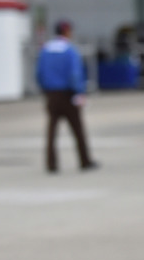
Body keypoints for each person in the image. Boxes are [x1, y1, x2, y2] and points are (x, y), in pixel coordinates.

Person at [36, 19, 99, 174]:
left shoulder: (46, 50)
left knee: (51, 130)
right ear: (67, 32)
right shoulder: (70, 50)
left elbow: (38, 73)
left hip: (51, 94)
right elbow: (75, 74)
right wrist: (79, 92)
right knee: (77, 129)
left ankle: (51, 163)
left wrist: (45, 89)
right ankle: (84, 160)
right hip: (67, 94)